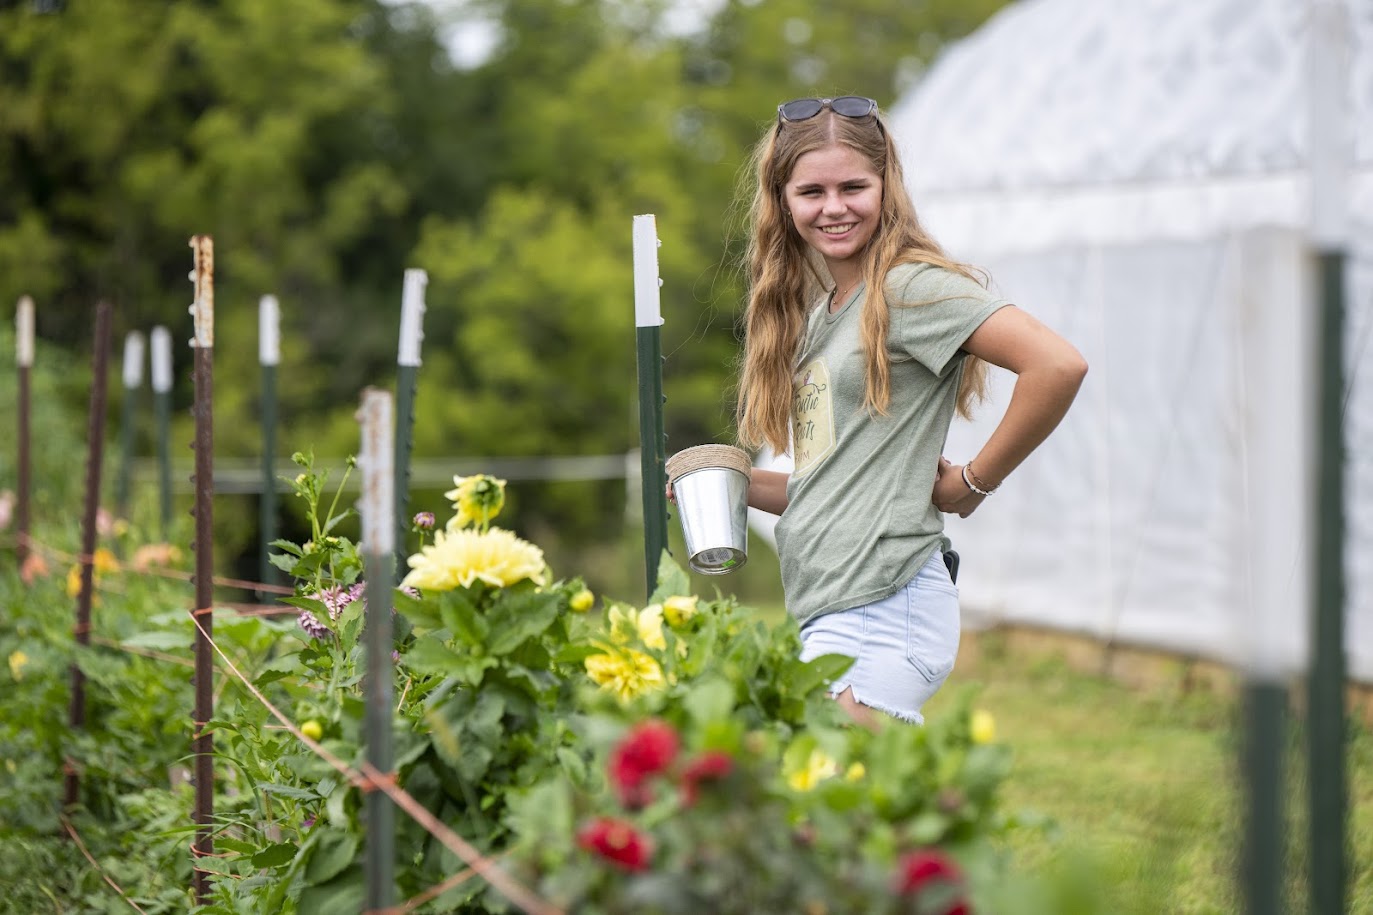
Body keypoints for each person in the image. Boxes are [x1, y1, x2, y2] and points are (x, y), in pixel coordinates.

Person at [735, 95, 1087, 726]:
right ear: (783, 202)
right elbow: (828, 486)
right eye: (811, 191)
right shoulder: (828, 314)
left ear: (885, 186)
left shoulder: (908, 286)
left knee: (841, 807)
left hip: (881, 605)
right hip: (835, 605)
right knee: (842, 816)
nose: (834, 207)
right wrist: (725, 483)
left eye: (853, 187)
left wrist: (975, 480)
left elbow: (1056, 365)